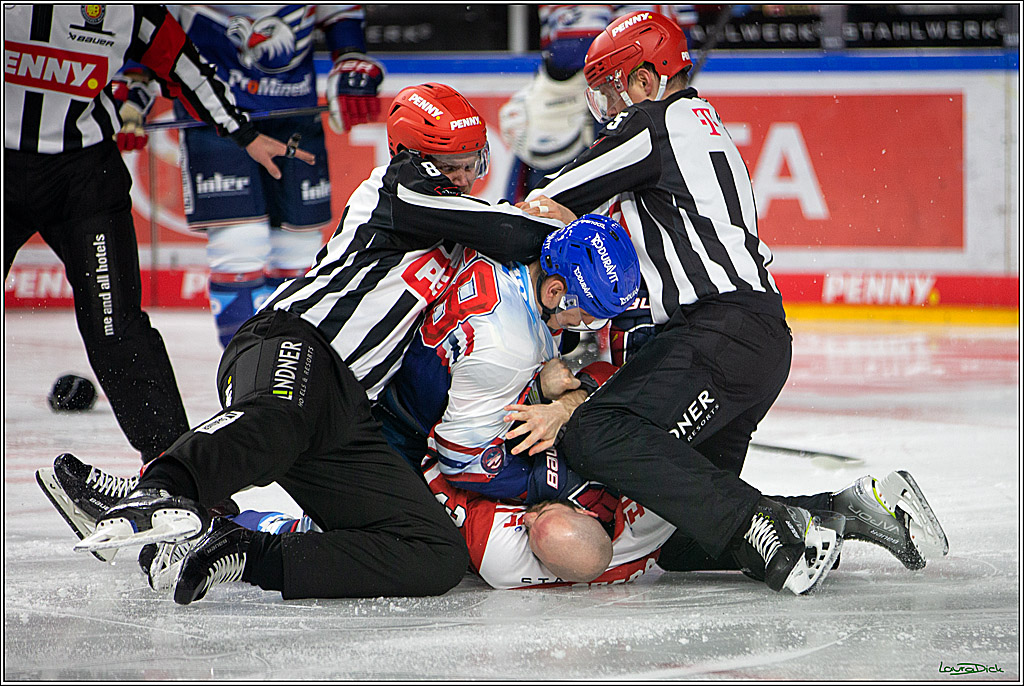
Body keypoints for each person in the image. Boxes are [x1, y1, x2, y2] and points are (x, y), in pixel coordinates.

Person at [46, 82, 570, 605]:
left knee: (433, 554)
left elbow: (513, 234)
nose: (463, 179)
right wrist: (556, 221)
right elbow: (519, 232)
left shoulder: (458, 221)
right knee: (281, 415)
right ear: (412, 157)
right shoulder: (396, 189)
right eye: (450, 165)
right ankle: (155, 490)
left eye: (472, 163)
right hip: (292, 342)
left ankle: (242, 551)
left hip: (346, 411)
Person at [513, 10, 948, 594]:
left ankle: (775, 541)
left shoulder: (652, 124)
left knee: (598, 433)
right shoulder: (701, 125)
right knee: (681, 533)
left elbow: (548, 201)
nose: (607, 115)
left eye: (611, 94)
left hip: (717, 334)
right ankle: (846, 509)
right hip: (753, 338)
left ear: (644, 82)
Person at [5, 4, 314, 464]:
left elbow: (188, 69)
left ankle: (175, 470)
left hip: (84, 175)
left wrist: (243, 134)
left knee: (116, 324)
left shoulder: (137, 12)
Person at [117, 5, 385, 347]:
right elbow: (151, 28)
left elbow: (339, 12)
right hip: (215, 113)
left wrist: (349, 58)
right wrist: (133, 93)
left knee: (300, 250)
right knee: (239, 242)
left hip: (295, 113)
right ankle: (246, 373)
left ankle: (298, 366)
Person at [374, 214, 640, 500]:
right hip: (402, 441)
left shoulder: (509, 237)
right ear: (555, 292)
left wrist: (536, 389)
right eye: (588, 317)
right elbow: (462, 464)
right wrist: (559, 483)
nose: (585, 326)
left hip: (402, 385)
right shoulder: (512, 348)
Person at [500, 5, 700, 204]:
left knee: (556, 203)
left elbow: (573, 49)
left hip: (615, 91)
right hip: (597, 91)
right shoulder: (703, 116)